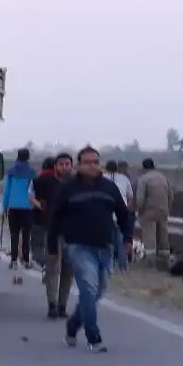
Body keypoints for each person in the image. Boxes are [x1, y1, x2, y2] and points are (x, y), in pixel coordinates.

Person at [47, 146, 132, 353]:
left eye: (96, 162)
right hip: (78, 247)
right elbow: (55, 220)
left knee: (97, 292)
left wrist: (127, 239)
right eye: (87, 162)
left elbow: (124, 215)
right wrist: (52, 248)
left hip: (105, 247)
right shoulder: (68, 189)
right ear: (78, 165)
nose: (92, 166)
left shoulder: (109, 188)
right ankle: (93, 337)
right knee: (88, 289)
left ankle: (73, 325)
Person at [30, 153, 73, 318]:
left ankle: (63, 305)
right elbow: (31, 195)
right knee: (53, 268)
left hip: (72, 232)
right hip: (52, 231)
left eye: (67, 164)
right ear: (55, 166)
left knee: (69, 270)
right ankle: (52, 304)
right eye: (61, 164)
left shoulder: (78, 184)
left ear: (72, 165)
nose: (64, 167)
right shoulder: (44, 182)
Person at [2, 148, 35, 269]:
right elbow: (34, 191)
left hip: (13, 207)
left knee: (14, 234)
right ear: (28, 157)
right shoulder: (32, 172)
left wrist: (4, 207)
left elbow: (6, 191)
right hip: (28, 208)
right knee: (26, 235)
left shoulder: (11, 171)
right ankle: (26, 260)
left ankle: (14, 260)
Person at [136, 158, 173, 267]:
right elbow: (170, 195)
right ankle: (164, 259)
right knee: (163, 235)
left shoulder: (143, 179)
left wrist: (139, 210)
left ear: (143, 168)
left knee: (149, 235)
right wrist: (168, 208)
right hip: (163, 210)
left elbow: (140, 199)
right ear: (154, 166)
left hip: (149, 211)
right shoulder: (163, 178)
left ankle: (150, 261)